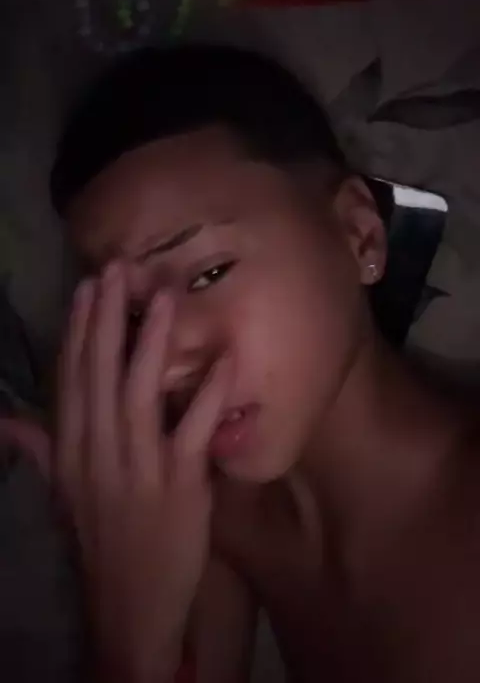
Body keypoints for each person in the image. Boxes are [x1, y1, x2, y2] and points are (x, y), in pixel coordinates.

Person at [1, 45, 479, 683]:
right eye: (133, 317)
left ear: (358, 234)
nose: (162, 366)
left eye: (208, 273)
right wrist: (126, 616)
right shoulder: (208, 511)